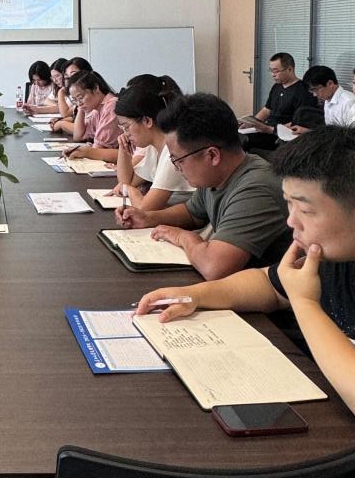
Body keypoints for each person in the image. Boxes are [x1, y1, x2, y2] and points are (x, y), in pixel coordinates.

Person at [135, 126, 355, 416]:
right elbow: (268, 284)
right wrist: (194, 296)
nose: (291, 222)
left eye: (305, 210)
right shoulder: (331, 258)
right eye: (289, 205)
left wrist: (304, 302)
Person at [116, 93, 290, 280]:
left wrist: (183, 237)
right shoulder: (216, 176)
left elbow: (214, 267)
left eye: (178, 160)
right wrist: (148, 218)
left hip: (271, 294)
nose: (177, 168)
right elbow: (192, 213)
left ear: (212, 155)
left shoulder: (256, 189)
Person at [112, 85, 194, 210]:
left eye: (126, 127)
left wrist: (130, 190)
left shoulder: (171, 152)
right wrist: (123, 150)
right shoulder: (153, 148)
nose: (125, 133)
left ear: (147, 121)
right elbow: (126, 182)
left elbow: (145, 208)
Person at [241, 53, 316, 150]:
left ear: (290, 69)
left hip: (281, 134)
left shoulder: (302, 90)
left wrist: (272, 129)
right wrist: (252, 123)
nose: (273, 74)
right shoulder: (277, 86)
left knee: (245, 140)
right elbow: (266, 110)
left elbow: (299, 122)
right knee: (236, 135)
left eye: (276, 71)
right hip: (268, 128)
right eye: (271, 71)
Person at [64, 69, 121, 163]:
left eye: (81, 97)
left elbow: (98, 148)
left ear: (96, 88)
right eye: (75, 100)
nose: (79, 103)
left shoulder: (111, 106)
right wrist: (81, 108)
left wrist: (84, 152)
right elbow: (78, 136)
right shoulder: (97, 109)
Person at [51, 57, 93, 135]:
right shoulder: (79, 97)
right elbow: (76, 116)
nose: (70, 80)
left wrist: (61, 124)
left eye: (74, 75)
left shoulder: (92, 97)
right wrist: (61, 120)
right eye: (66, 78)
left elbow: (83, 131)